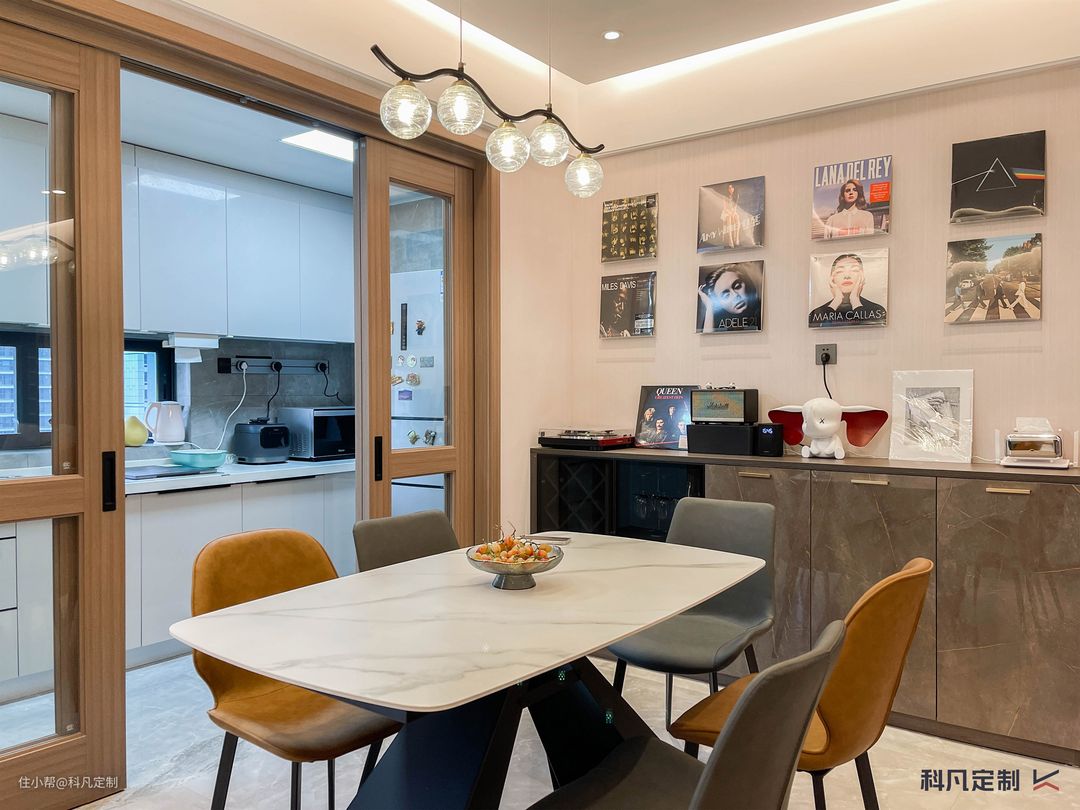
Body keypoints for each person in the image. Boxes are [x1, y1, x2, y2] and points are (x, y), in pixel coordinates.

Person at [808, 253, 886, 327]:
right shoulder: (816, 314)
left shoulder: (877, 311)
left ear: (862, 276)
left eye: (854, 270)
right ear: (832, 278)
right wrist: (836, 300)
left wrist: (855, 300)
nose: (847, 276)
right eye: (840, 271)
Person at [697, 262, 762, 332]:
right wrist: (709, 306)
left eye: (737, 286)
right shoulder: (715, 319)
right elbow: (707, 338)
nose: (735, 295)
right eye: (726, 295)